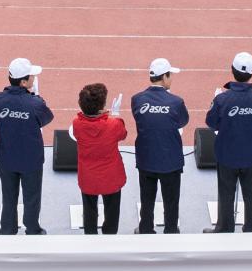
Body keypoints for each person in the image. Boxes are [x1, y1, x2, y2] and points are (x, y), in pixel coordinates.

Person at [204, 51, 252, 233]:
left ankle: (224, 228)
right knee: (251, 195)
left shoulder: (222, 99)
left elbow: (211, 123)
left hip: (227, 155)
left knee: (226, 193)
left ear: (232, 70)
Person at [0, 58, 54, 235]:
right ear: (24, 82)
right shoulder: (35, 104)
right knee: (31, 197)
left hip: (6, 157)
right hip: (30, 159)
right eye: (32, 76)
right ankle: (32, 228)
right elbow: (46, 119)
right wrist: (35, 98)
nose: (34, 78)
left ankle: (7, 229)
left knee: (8, 196)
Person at [131, 58, 189, 234]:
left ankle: (146, 229)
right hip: (170, 161)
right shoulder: (176, 102)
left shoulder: (136, 100)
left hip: (146, 159)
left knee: (147, 199)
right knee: (171, 201)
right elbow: (183, 121)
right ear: (164, 77)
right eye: (170, 75)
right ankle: (171, 231)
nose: (171, 79)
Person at [73, 83, 128, 234]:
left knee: (89, 211)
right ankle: (109, 239)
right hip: (111, 177)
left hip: (88, 177)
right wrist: (115, 115)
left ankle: (91, 239)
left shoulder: (77, 124)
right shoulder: (113, 124)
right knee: (112, 213)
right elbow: (123, 134)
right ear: (101, 105)